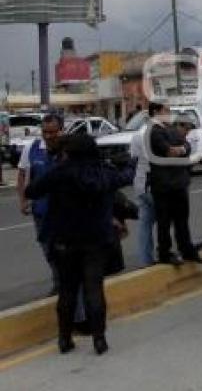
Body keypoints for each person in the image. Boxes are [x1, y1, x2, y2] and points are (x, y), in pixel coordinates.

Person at [24, 134, 134, 355]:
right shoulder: (103, 172)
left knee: (67, 291)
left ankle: (64, 340)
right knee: (94, 289)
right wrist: (130, 162)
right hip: (96, 240)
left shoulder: (60, 172)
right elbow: (125, 177)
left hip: (64, 240)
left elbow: (31, 191)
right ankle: (99, 340)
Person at [147, 102, 202, 266]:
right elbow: (171, 151)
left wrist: (182, 147)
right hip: (164, 185)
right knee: (164, 222)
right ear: (156, 112)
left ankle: (187, 250)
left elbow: (187, 145)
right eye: (166, 110)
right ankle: (165, 253)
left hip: (179, 183)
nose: (169, 113)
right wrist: (181, 148)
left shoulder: (170, 129)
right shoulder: (154, 132)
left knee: (182, 220)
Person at [17, 113, 64, 295]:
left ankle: (63, 283)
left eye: (52, 132)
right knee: (48, 249)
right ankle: (58, 279)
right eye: (45, 132)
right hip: (41, 211)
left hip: (65, 212)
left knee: (65, 250)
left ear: (61, 130)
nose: (48, 136)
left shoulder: (68, 148)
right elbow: (22, 175)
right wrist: (23, 201)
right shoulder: (32, 148)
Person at [129, 115, 155, 266]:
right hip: (154, 184)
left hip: (140, 184)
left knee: (145, 223)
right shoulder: (155, 135)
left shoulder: (137, 136)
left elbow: (134, 157)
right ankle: (169, 251)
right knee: (169, 217)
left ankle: (145, 260)